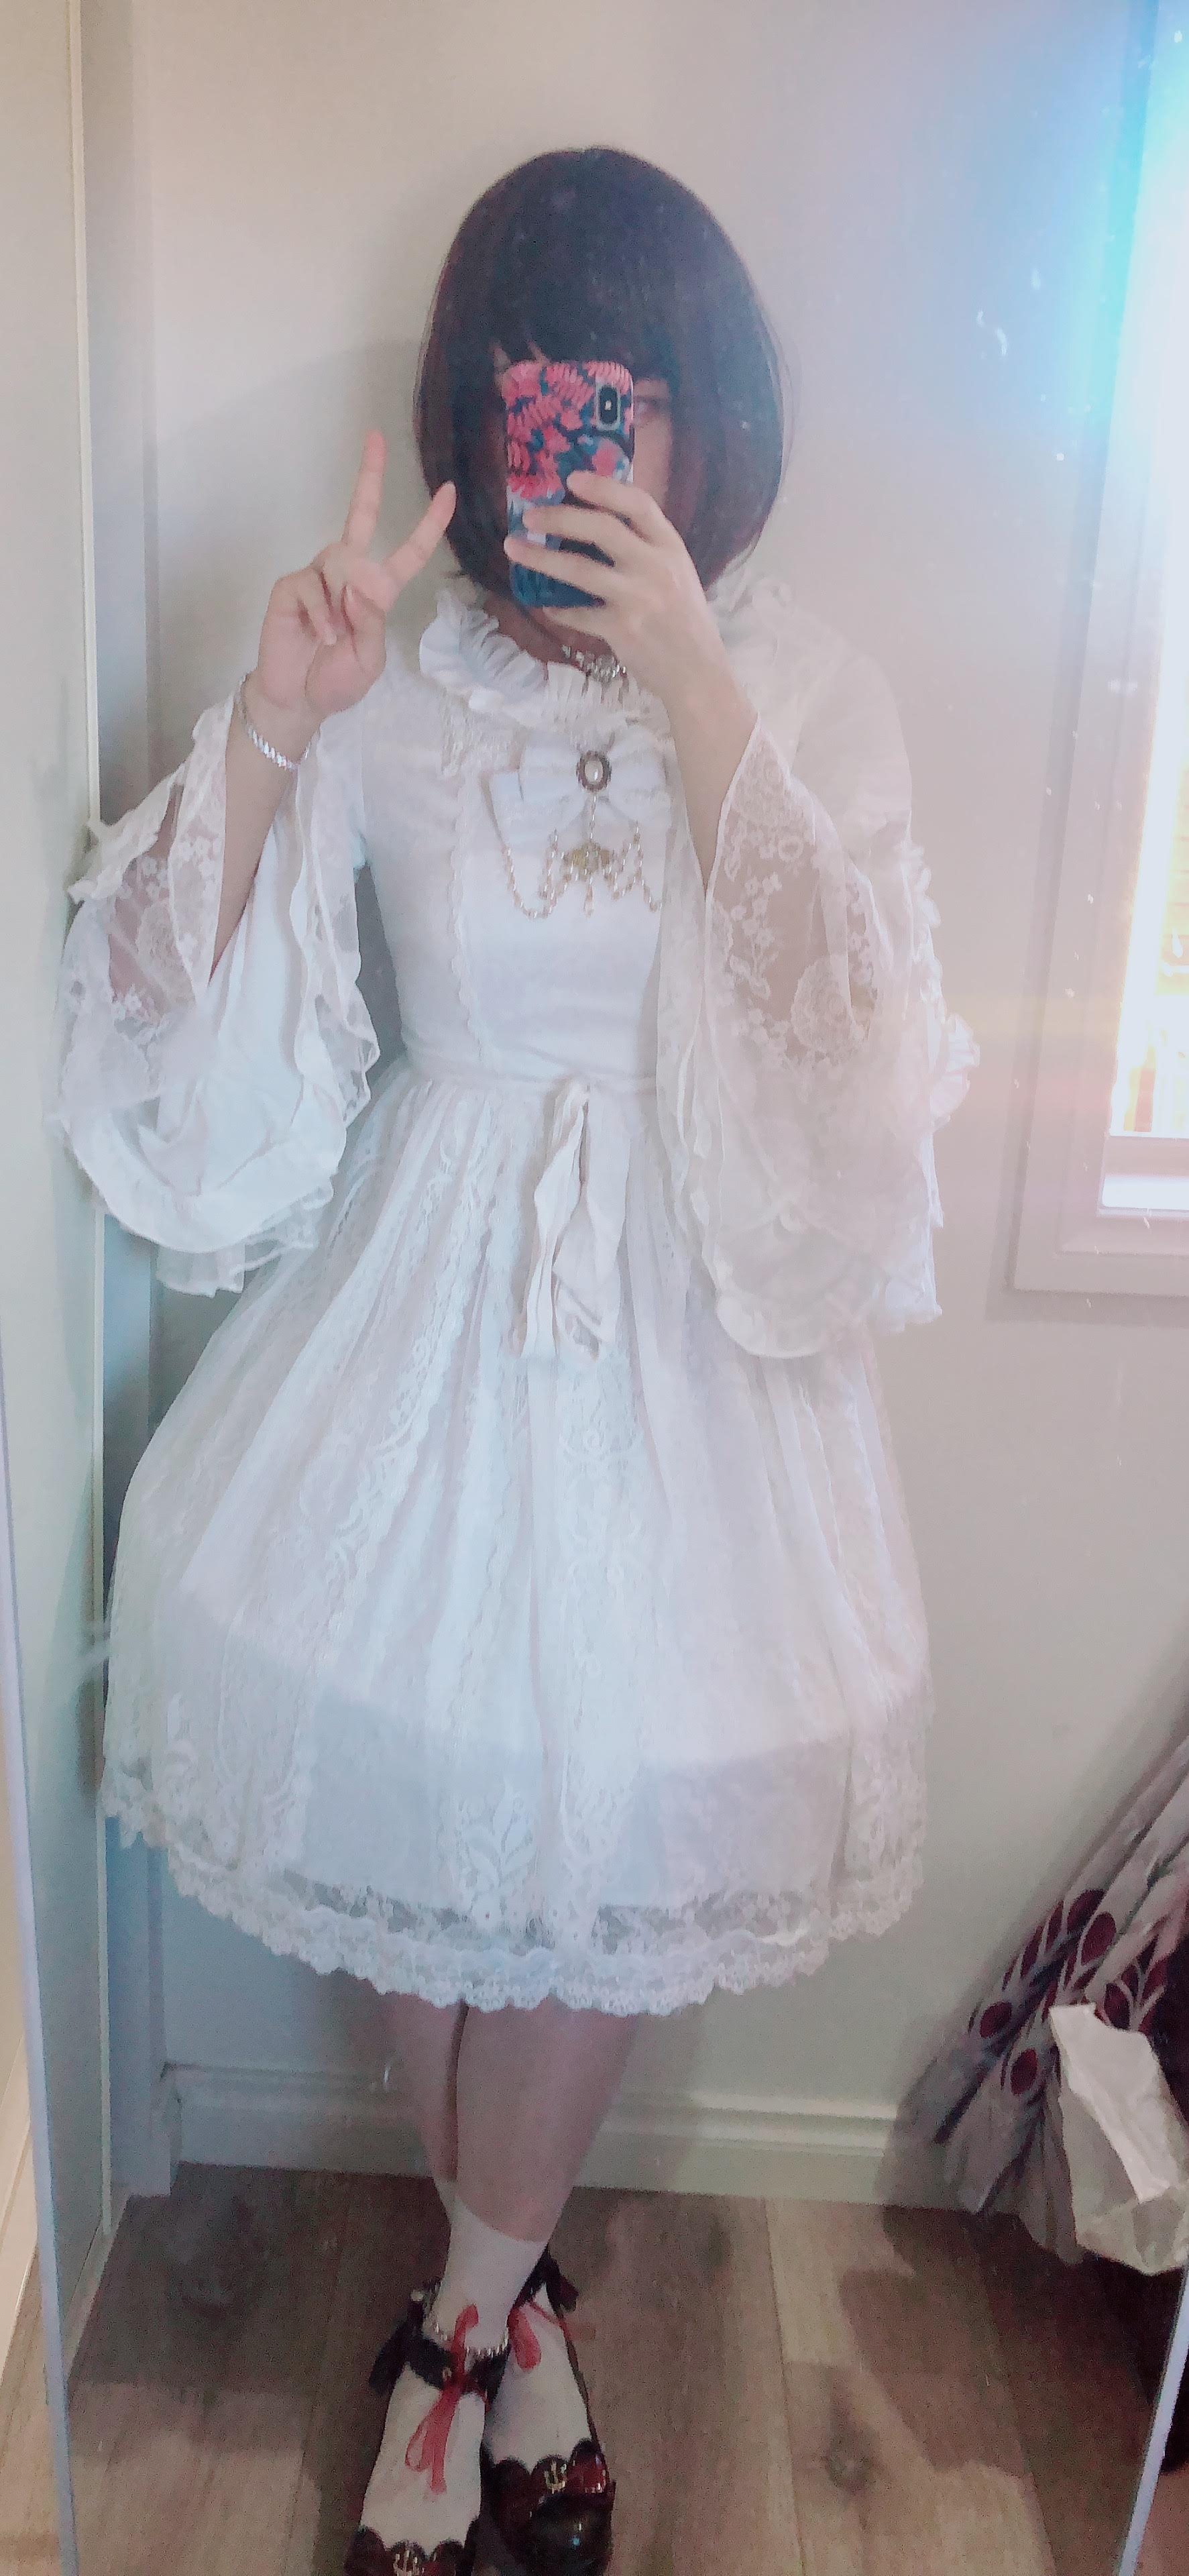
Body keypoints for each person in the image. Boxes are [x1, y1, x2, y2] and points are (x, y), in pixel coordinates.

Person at [48, 146, 975, 2576]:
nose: (590, 436)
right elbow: (168, 1026)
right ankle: (503, 2321)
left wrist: (700, 689)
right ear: (480, 403)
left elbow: (867, 1070)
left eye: (632, 391)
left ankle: (459, 2329)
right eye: (544, 384)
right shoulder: (401, 672)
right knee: (424, 1803)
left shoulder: (806, 681)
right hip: (424, 1313)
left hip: (689, 1353)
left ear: (707, 411)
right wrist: (279, 720)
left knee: (607, 1836)